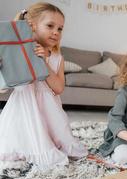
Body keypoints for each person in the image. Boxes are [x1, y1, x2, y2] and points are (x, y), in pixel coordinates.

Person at [0, 2, 87, 169]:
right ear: (32, 26)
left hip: (50, 110)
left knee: (61, 137)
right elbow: (5, 86)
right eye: (50, 26)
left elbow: (59, 88)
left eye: (60, 28)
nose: (56, 32)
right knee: (23, 140)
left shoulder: (57, 57)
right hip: (25, 108)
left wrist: (43, 63)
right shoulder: (18, 54)